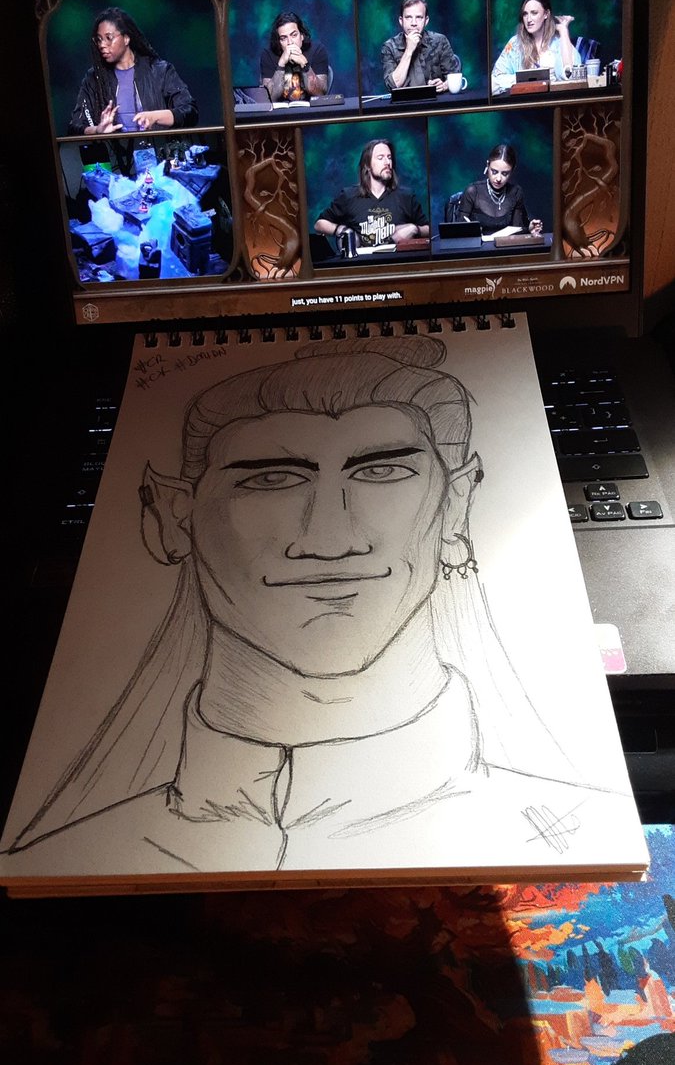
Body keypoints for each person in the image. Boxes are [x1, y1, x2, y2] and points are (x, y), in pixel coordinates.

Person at [3, 335, 622, 878]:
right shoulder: (54, 862)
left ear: (456, 506)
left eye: (381, 472)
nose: (329, 540)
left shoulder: (575, 831)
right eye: (270, 479)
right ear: (173, 517)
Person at [68, 7, 198, 135]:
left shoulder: (160, 71)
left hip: (158, 147)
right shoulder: (94, 78)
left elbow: (189, 111)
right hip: (113, 148)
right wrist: (98, 130)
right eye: (99, 40)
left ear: (126, 38)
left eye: (109, 38)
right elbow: (75, 126)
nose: (102, 45)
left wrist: (155, 117)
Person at [314, 138, 429, 246]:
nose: (387, 162)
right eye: (380, 158)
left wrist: (414, 229)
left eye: (389, 157)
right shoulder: (348, 196)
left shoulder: (406, 196)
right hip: (362, 260)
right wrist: (341, 230)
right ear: (367, 165)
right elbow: (319, 224)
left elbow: (428, 229)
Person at [491, 0, 580, 93]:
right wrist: (526, 80)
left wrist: (563, 31)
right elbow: (494, 82)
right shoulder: (515, 44)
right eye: (525, 14)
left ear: (546, 14)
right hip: (523, 102)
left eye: (534, 13)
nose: (529, 19)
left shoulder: (559, 43)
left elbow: (572, 76)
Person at [458, 143, 543, 238]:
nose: (498, 178)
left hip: (506, 246)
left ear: (512, 170)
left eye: (505, 174)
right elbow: (459, 231)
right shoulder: (473, 191)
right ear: (487, 165)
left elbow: (517, 230)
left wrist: (529, 228)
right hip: (477, 246)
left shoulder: (516, 192)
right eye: (494, 172)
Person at [381, 0, 460, 92]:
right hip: (405, 101)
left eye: (419, 17)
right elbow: (393, 85)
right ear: (401, 21)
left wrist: (444, 86)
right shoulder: (389, 47)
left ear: (426, 21)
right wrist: (409, 50)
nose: (413, 23)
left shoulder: (440, 41)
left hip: (436, 100)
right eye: (408, 17)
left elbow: (455, 77)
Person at [260, 12, 329, 102]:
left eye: (294, 35)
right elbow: (268, 99)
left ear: (302, 35)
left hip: (311, 109)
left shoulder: (318, 50)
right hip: (280, 110)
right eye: (283, 38)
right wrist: (281, 64)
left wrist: (304, 64)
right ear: (279, 42)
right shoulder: (268, 54)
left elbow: (320, 94)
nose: (290, 42)